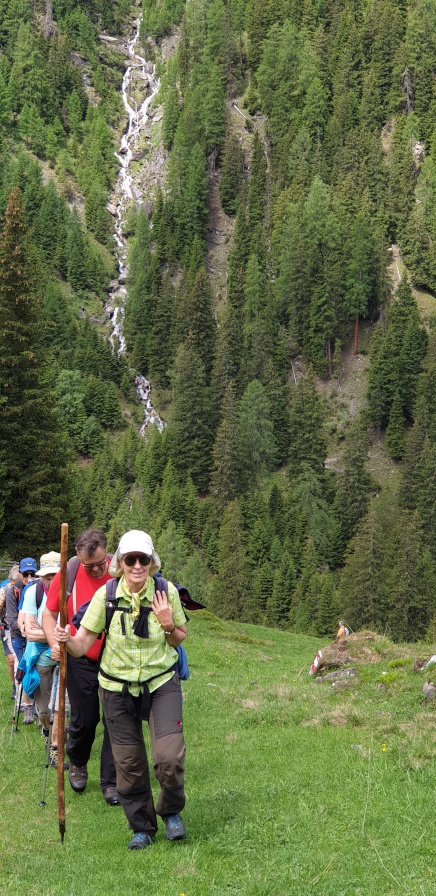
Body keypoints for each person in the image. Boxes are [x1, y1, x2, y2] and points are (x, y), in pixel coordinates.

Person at [53, 529, 188, 850]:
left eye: (143, 559)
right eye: (131, 559)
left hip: (160, 683)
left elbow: (179, 636)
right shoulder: (107, 595)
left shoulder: (165, 591)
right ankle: (141, 827)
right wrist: (66, 641)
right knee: (128, 762)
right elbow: (83, 641)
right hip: (116, 687)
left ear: (152, 561)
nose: (137, 565)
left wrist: (168, 623)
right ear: (122, 563)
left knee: (168, 757)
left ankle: (170, 811)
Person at [42, 528, 118, 804]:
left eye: (101, 563)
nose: (98, 569)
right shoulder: (69, 573)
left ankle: (111, 781)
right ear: (78, 556)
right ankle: (78, 761)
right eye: (91, 565)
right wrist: (53, 642)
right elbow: (49, 615)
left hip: (115, 658)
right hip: (78, 655)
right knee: (85, 718)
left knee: (115, 718)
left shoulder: (118, 572)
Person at [22, 551, 67, 768]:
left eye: (55, 575)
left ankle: (57, 748)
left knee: (63, 706)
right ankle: (46, 729)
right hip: (41, 656)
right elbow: (29, 633)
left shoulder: (69, 591)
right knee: (44, 710)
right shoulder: (34, 592)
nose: (50, 580)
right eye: (47, 576)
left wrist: (44, 631)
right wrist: (56, 636)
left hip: (67, 655)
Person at [5, 557, 38, 723]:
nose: (29, 577)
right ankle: (25, 705)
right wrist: (28, 627)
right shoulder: (13, 591)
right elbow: (11, 620)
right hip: (18, 635)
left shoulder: (39, 589)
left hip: (36, 635)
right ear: (20, 574)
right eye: (26, 574)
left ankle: (38, 705)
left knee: (38, 668)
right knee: (22, 668)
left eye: (33, 573)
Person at [0, 567, 18, 698]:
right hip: (6, 628)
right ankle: (14, 686)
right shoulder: (4, 590)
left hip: (21, 629)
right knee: (11, 660)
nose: (13, 586)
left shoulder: (27, 589)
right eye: (12, 583)